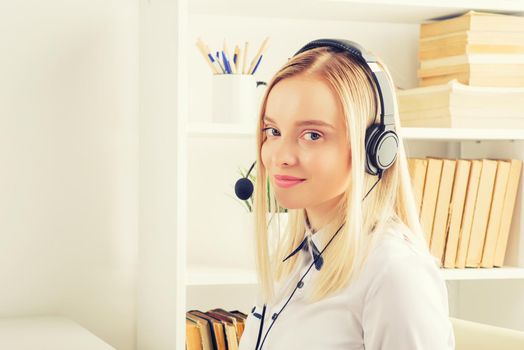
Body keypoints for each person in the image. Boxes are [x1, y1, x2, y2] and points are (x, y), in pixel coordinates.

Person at [237, 39, 455, 349]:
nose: (280, 156)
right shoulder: (295, 259)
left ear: (375, 149)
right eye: (273, 131)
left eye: (312, 135)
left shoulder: (395, 275)